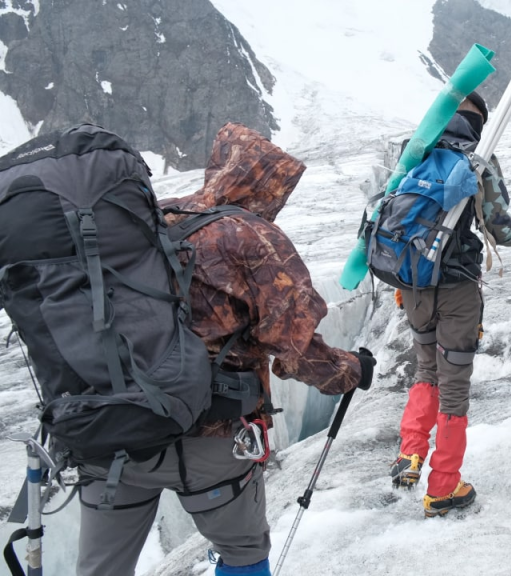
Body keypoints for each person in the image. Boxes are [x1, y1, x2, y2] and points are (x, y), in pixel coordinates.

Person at [76, 123, 376, 576]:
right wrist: (351, 370)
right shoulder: (249, 235)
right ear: (268, 186)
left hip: (115, 429)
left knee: (99, 569)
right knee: (243, 555)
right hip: (211, 437)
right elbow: (294, 351)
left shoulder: (152, 216)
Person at [389, 91, 511, 517]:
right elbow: (502, 230)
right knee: (454, 387)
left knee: (424, 368)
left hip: (414, 283)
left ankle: (410, 455)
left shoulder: (413, 150)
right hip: (457, 289)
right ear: (479, 123)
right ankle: (444, 487)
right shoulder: (479, 159)